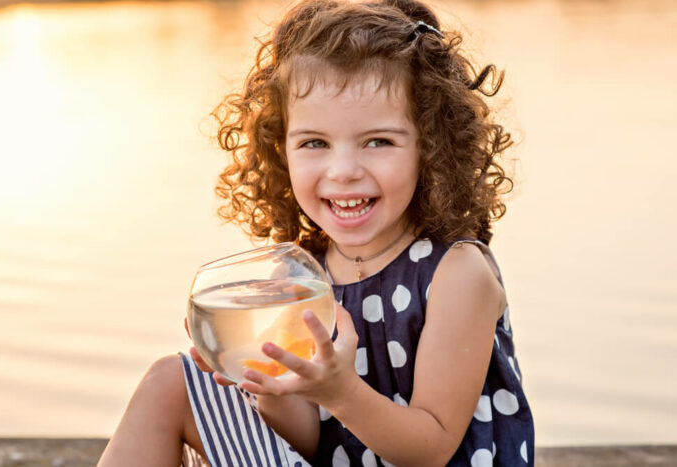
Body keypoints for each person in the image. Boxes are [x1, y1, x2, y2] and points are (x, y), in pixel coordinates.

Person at [98, 0, 534, 465]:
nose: (343, 170)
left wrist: (340, 391)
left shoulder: (456, 272)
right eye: (314, 143)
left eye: (378, 141)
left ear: (430, 146)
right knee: (172, 382)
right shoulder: (302, 276)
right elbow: (306, 441)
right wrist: (268, 383)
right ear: (278, 148)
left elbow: (431, 448)